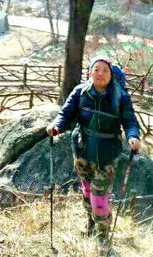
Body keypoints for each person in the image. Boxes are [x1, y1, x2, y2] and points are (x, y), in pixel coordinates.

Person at [46, 56, 142, 238]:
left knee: (99, 196)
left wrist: (133, 136)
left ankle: (102, 234)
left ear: (111, 74)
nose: (100, 73)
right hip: (82, 151)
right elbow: (65, 113)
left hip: (107, 155)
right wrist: (56, 126)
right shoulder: (80, 92)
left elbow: (130, 121)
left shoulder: (120, 97)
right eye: (96, 69)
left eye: (105, 70)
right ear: (90, 72)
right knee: (87, 191)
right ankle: (91, 223)